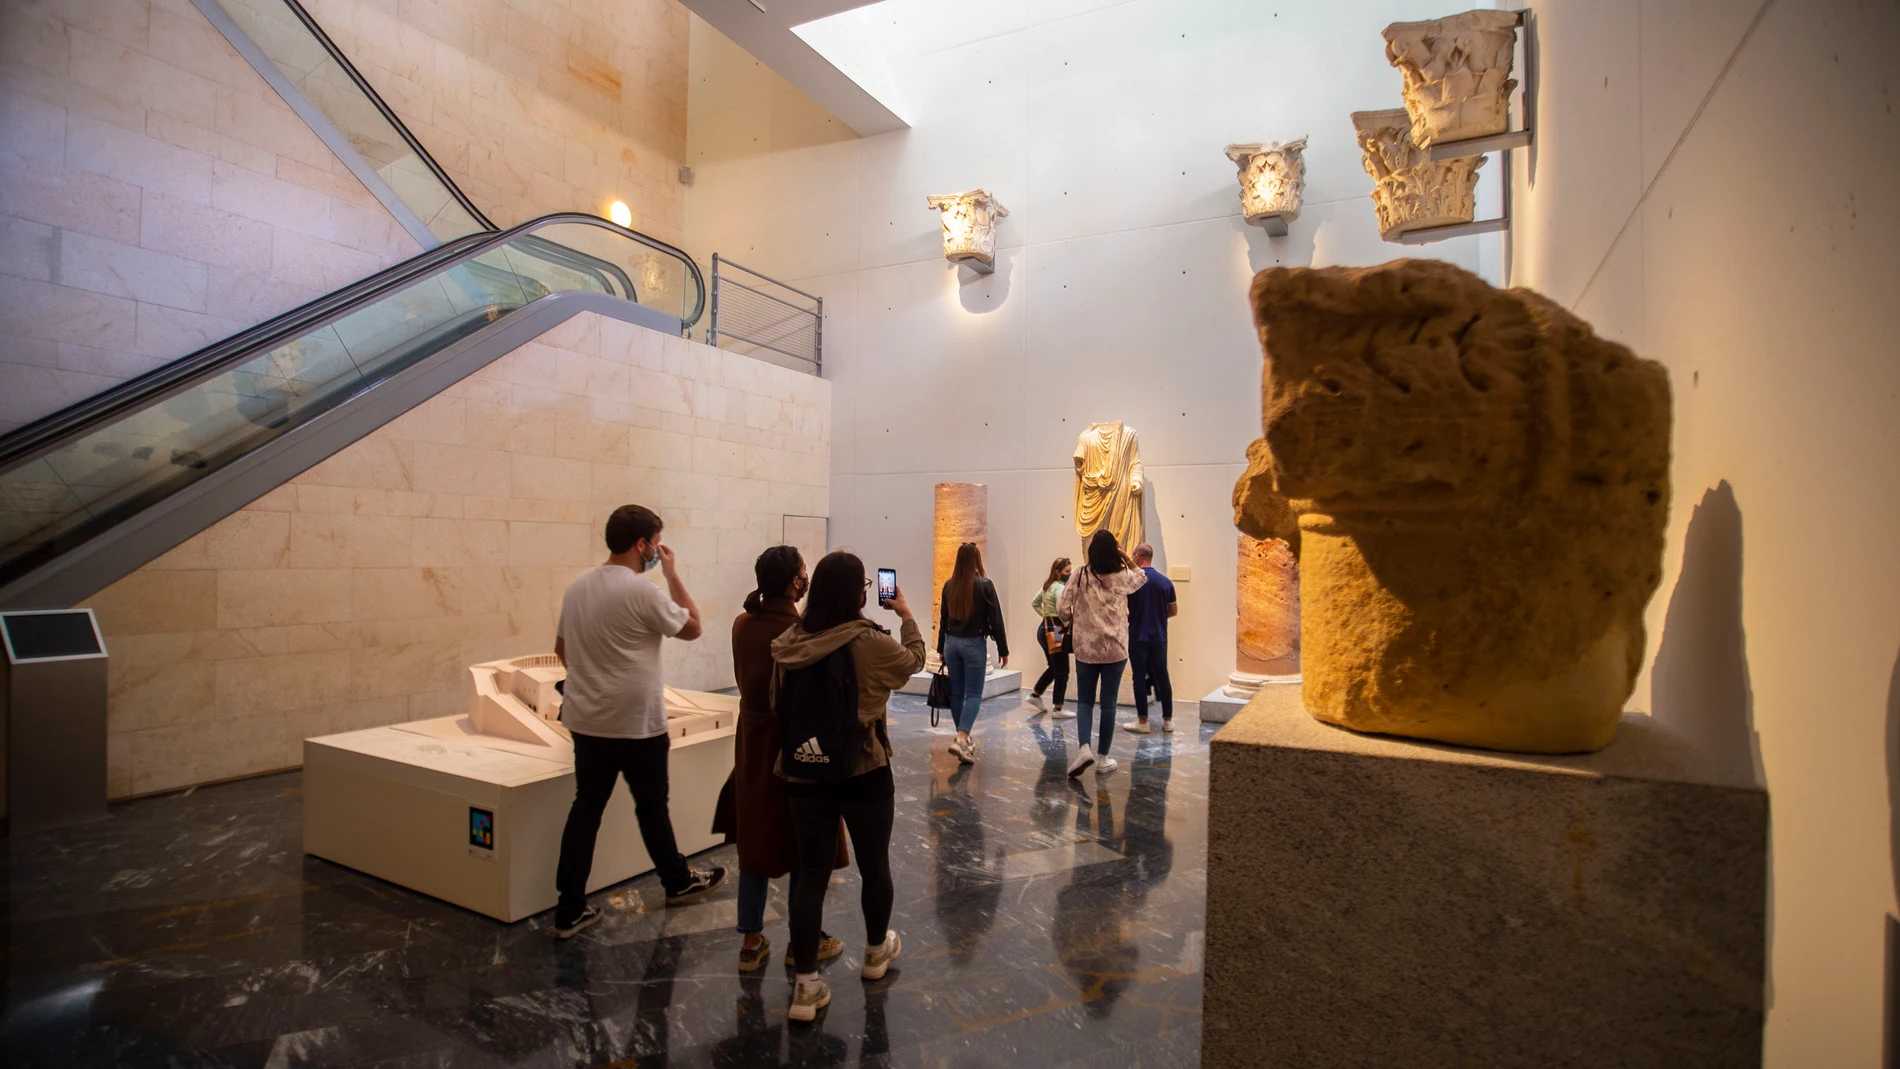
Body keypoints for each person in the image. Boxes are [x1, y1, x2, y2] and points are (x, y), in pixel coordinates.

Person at [551, 504, 726, 938]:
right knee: (651, 807)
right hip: (635, 724)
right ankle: (677, 881)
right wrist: (671, 575)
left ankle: (569, 908)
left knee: (586, 808)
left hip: (587, 719)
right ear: (641, 544)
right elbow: (694, 627)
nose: (657, 551)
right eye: (656, 542)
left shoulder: (578, 587)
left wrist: (594, 678)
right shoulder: (642, 592)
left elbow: (561, 650)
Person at [772, 551, 926, 1022]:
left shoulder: (788, 643)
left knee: (811, 877)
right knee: (874, 864)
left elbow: (775, 704)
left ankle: (805, 987)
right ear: (857, 593)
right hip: (864, 771)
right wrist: (906, 615)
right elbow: (914, 662)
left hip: (804, 771)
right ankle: (877, 953)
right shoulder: (869, 642)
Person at [711, 546, 849, 972]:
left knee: (755, 840)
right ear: (795, 583)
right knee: (802, 844)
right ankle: (802, 940)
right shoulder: (801, 632)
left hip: (751, 744)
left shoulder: (741, 625)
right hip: (791, 745)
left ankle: (751, 941)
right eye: (803, 573)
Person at [1055, 529, 1147, 778]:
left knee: (1084, 701)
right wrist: (1125, 555)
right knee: (1108, 704)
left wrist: (1072, 621)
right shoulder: (1122, 576)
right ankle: (1104, 758)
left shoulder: (1081, 574)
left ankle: (1084, 748)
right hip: (1115, 648)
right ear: (1113, 551)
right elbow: (1141, 577)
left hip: (1086, 647)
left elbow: (1062, 606)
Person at [937, 542, 1008, 764]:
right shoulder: (985, 585)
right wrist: (1003, 649)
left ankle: (963, 741)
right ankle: (961, 738)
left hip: (952, 644)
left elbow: (943, 620)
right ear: (977, 560)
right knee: (974, 694)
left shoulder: (949, 585)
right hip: (973, 644)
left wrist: (940, 648)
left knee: (957, 695)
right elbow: (996, 619)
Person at [1122, 543, 1177, 734]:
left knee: (1138, 678)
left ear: (1137, 556)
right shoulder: (1165, 582)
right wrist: (1158, 618)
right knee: (1163, 677)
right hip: (1159, 636)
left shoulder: (1133, 582)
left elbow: (1123, 609)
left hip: (1137, 636)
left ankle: (1143, 722)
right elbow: (1173, 610)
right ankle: (1168, 720)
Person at [1027, 557, 1074, 720]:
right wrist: (1068, 622)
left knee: (1054, 667)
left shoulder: (1047, 586)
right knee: (1062, 671)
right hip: (1057, 630)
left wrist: (1045, 616)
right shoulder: (1060, 588)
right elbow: (1063, 611)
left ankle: (1035, 695)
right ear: (1058, 572)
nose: (1070, 574)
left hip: (1044, 629)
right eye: (1067, 572)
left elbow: (1035, 603)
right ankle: (1058, 708)